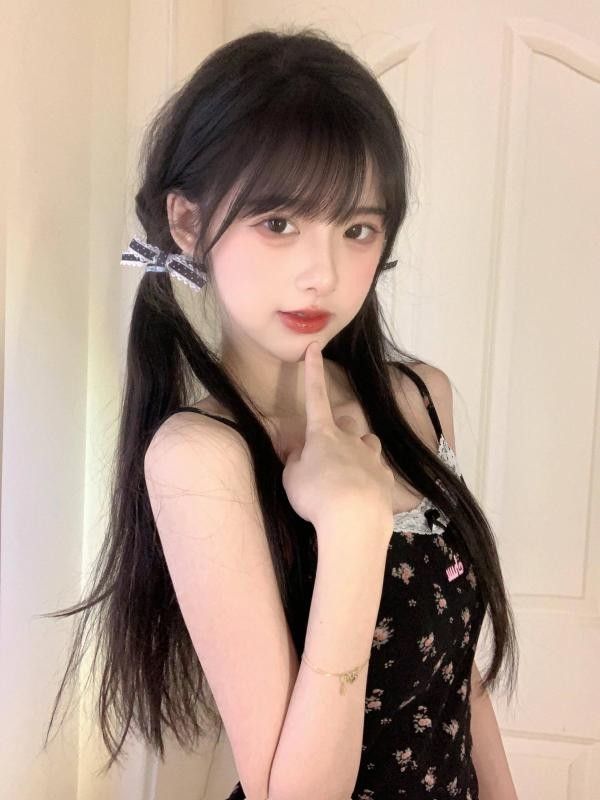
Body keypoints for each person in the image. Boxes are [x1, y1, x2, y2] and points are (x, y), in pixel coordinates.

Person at [42, 26, 519, 800]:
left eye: (356, 229)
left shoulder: (421, 399)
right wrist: (356, 529)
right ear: (189, 224)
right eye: (278, 223)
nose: (321, 273)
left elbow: (458, 680)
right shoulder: (201, 457)